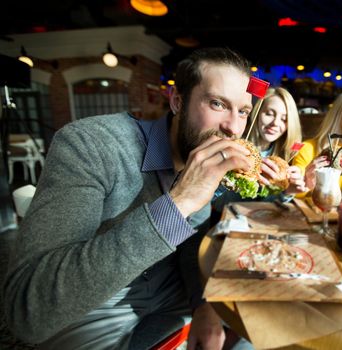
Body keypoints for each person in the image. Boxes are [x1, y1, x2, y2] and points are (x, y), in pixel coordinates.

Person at [3, 47, 255, 350]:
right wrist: (180, 202)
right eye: (217, 103)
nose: (234, 127)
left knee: (254, 333)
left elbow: (189, 246)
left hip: (172, 303)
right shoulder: (92, 145)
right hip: (93, 312)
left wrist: (203, 304)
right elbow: (28, 314)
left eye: (242, 111)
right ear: (177, 100)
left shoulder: (202, 158)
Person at [211, 87, 306, 219]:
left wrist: (287, 192)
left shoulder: (283, 157)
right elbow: (218, 203)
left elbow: (264, 207)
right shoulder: (234, 146)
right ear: (257, 113)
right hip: (222, 222)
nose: (275, 123)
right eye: (269, 113)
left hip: (258, 224)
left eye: (284, 119)